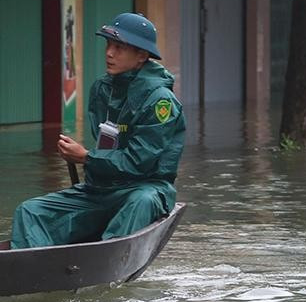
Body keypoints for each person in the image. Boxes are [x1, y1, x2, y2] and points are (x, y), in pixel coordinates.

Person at [11, 13, 185, 249]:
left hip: (145, 189)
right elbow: (106, 143)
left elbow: (138, 162)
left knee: (139, 202)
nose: (109, 53)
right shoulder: (102, 89)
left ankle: (106, 256)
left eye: (119, 47)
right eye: (108, 45)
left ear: (142, 56)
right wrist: (84, 158)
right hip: (100, 189)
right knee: (30, 212)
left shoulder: (160, 102)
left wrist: (85, 157)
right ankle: (36, 269)